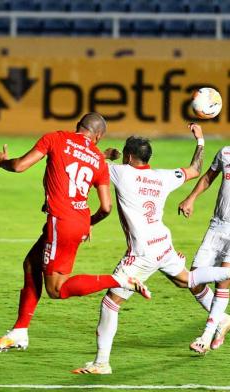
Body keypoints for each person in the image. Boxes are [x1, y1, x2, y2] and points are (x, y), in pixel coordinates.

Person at [0, 112, 151, 352]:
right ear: (99, 136)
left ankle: (121, 280)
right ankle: (19, 331)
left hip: (61, 222)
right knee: (31, 264)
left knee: (56, 289)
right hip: (79, 221)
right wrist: (89, 222)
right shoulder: (98, 160)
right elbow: (106, 207)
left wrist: (1, 162)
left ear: (77, 126)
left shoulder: (55, 138)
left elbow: (19, 166)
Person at [73, 124, 230, 375]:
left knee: (110, 302)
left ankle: (102, 362)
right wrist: (200, 142)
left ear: (129, 157)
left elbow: (85, 160)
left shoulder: (121, 172)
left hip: (142, 253)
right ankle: (222, 318)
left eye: (125, 154)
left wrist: (105, 155)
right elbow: (195, 169)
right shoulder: (163, 176)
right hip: (163, 244)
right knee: (186, 280)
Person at [179, 145, 230, 354]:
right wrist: (191, 198)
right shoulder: (225, 152)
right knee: (193, 279)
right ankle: (223, 319)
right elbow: (209, 177)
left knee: (223, 282)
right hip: (217, 225)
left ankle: (206, 336)